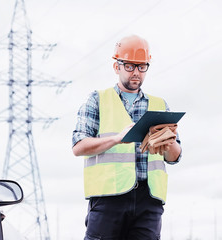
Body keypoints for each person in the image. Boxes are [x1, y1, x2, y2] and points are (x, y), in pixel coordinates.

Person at [72, 35, 182, 240]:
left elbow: (175, 157)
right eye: (130, 66)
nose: (136, 73)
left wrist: (168, 142)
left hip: (148, 201)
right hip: (108, 199)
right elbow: (78, 146)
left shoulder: (160, 104)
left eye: (142, 67)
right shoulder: (97, 99)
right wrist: (117, 138)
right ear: (117, 66)